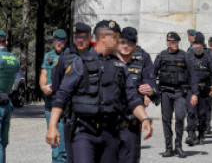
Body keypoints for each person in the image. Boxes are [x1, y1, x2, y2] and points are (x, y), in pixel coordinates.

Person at [45, 21, 153, 163]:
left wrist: (144, 118)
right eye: (115, 37)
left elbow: (132, 97)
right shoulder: (80, 63)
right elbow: (62, 95)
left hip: (110, 133)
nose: (118, 41)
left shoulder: (119, 66)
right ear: (103, 37)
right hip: (84, 132)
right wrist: (52, 126)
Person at [153, 31, 198, 158]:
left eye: (177, 42)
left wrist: (194, 93)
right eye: (173, 42)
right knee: (166, 120)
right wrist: (152, 92)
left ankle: (178, 146)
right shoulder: (161, 56)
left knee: (179, 117)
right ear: (168, 42)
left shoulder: (185, 56)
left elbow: (192, 76)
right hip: (165, 92)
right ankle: (168, 148)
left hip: (180, 92)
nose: (175, 44)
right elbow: (152, 74)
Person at [51, 22, 91, 163]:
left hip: (93, 117)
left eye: (84, 37)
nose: (80, 40)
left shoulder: (97, 57)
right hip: (72, 117)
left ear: (90, 37)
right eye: (77, 36)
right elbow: (56, 87)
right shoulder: (65, 58)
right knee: (71, 156)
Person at [117, 27, 156, 163]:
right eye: (123, 42)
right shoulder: (109, 56)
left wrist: (151, 91)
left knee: (131, 158)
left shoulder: (143, 57)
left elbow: (151, 82)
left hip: (132, 118)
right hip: (109, 119)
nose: (126, 46)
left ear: (135, 44)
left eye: (130, 43)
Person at [40, 28, 69, 163]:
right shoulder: (48, 56)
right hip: (49, 105)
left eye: (62, 41)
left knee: (62, 146)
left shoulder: (70, 55)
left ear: (66, 41)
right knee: (53, 142)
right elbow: (44, 74)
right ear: (53, 41)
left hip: (64, 105)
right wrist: (43, 87)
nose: (59, 43)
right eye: (57, 40)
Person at [185, 32, 212, 146]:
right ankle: (190, 134)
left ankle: (201, 134)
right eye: (195, 44)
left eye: (199, 44)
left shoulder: (209, 54)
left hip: (205, 89)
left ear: (203, 44)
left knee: (202, 113)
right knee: (191, 111)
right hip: (192, 89)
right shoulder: (189, 54)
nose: (197, 46)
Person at [0, 30, 20, 163]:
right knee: (2, 144)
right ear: (6, 42)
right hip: (7, 103)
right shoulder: (14, 59)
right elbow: (17, 82)